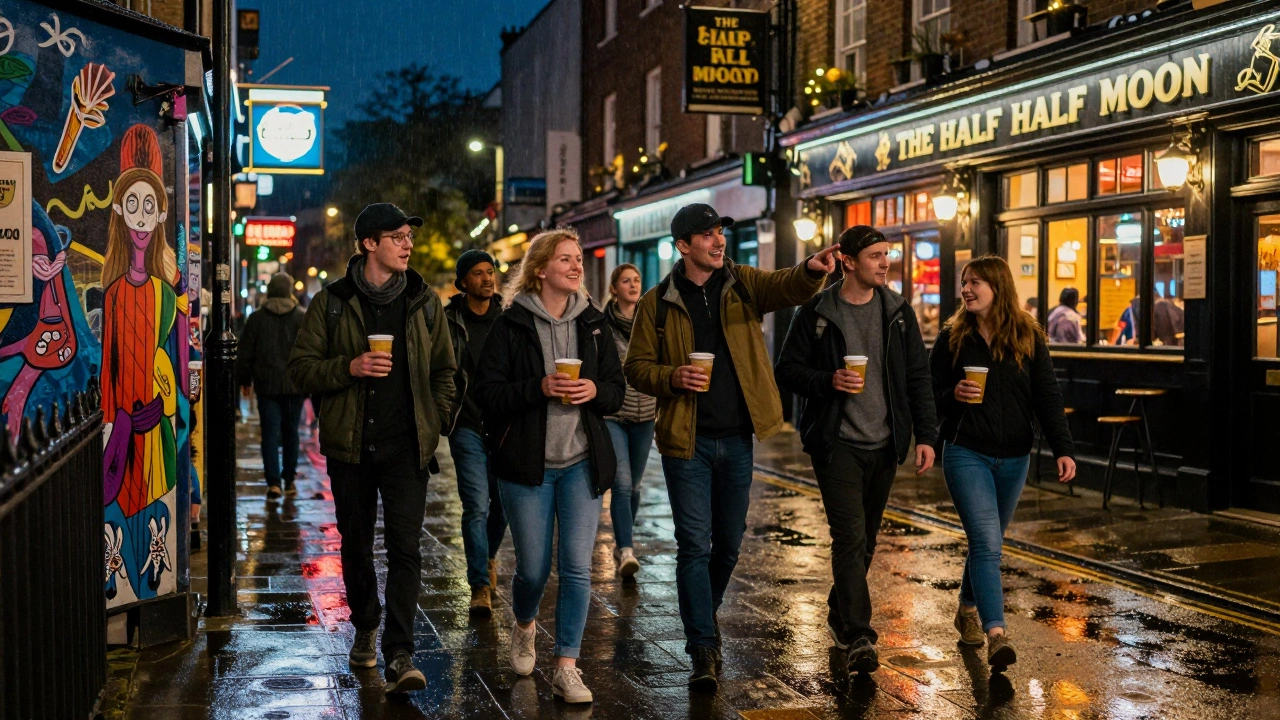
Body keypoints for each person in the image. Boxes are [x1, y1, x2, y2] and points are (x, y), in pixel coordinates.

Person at [624, 203, 837, 691]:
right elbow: (635, 368)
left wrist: (811, 269)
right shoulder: (658, 302)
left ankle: (705, 611)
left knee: (730, 545)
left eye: (720, 232)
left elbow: (787, 285)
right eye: (706, 235)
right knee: (694, 546)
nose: (718, 241)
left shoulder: (741, 283)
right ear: (683, 245)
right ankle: (703, 646)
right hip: (687, 440)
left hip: (738, 436)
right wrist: (672, 377)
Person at [288, 203, 456, 694]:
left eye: (409, 236)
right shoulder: (333, 301)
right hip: (351, 448)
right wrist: (349, 367)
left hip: (408, 448)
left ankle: (400, 652)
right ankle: (365, 622)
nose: (407, 245)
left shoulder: (424, 301)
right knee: (357, 547)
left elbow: (447, 369)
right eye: (397, 236)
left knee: (407, 550)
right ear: (368, 244)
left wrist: (438, 417)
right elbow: (301, 367)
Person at [774, 226, 939, 681]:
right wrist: (828, 380)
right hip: (837, 442)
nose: (884, 263)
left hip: (884, 443)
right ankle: (860, 634)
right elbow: (786, 370)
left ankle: (839, 610)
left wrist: (926, 436)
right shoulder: (818, 311)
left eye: (887, 255)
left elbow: (918, 379)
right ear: (847, 261)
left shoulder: (899, 312)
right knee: (849, 536)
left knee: (865, 536)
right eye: (874, 256)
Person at [473, 228, 625, 704]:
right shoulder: (511, 324)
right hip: (526, 465)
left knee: (578, 568)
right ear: (540, 270)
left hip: (581, 462)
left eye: (578, 259)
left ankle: (567, 666)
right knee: (534, 569)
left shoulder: (594, 323)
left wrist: (596, 392)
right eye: (565, 259)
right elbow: (487, 395)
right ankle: (523, 625)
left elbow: (617, 388)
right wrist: (536, 388)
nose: (577, 266)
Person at [929, 255, 1076, 671]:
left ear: (998, 287)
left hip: (1014, 457)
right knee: (988, 544)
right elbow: (926, 391)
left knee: (985, 544)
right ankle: (997, 634)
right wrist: (952, 395)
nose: (967, 290)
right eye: (964, 283)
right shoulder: (953, 337)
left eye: (976, 283)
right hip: (965, 451)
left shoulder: (1028, 335)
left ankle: (966, 608)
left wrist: (1063, 448)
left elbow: (1047, 396)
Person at [444, 249, 508, 617]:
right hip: (466, 425)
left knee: (503, 506)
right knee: (475, 506)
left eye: (491, 272)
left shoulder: (508, 318)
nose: (487, 278)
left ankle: (489, 557)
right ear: (464, 281)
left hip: (504, 426)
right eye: (479, 273)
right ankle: (479, 585)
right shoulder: (449, 319)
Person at [604, 263, 657, 580]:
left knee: (635, 486)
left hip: (646, 413)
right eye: (626, 281)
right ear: (614, 288)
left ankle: (623, 544)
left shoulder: (650, 322)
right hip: (614, 414)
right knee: (621, 485)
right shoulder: (602, 325)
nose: (633, 285)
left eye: (637, 280)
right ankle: (626, 549)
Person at [236, 272, 307, 500]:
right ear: (289, 291)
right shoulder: (301, 318)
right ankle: (289, 478)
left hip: (266, 386)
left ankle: (273, 482)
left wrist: (245, 380)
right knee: (291, 432)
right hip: (295, 386)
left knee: (269, 433)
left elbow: (245, 353)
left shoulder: (256, 319)